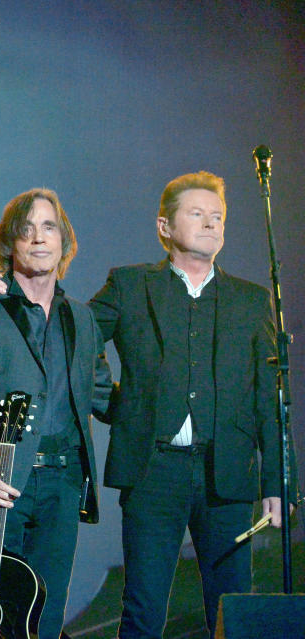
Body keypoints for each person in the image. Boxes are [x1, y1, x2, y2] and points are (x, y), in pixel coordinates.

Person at [87, 171, 291, 637]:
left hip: (229, 473)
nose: (210, 223)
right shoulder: (130, 284)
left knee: (232, 607)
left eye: (217, 216)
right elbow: (77, 337)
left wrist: (279, 481)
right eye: (196, 214)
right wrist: (114, 403)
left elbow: (268, 395)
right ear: (165, 227)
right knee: (143, 606)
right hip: (153, 469)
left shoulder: (251, 300)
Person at [0, 188, 111, 639]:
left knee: (45, 621)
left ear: (63, 241)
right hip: (0, 483)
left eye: (49, 227)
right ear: (9, 243)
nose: (38, 238)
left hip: (63, 485)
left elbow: (104, 396)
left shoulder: (83, 318)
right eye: (26, 229)